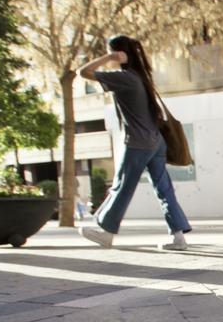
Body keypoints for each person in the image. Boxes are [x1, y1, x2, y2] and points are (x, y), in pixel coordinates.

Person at [76, 35, 192, 250]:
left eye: (111, 51)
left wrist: (108, 57)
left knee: (121, 186)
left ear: (120, 53)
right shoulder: (140, 76)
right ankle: (179, 238)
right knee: (164, 190)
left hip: (138, 142)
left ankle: (106, 232)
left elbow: (82, 72)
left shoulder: (125, 77)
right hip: (156, 142)